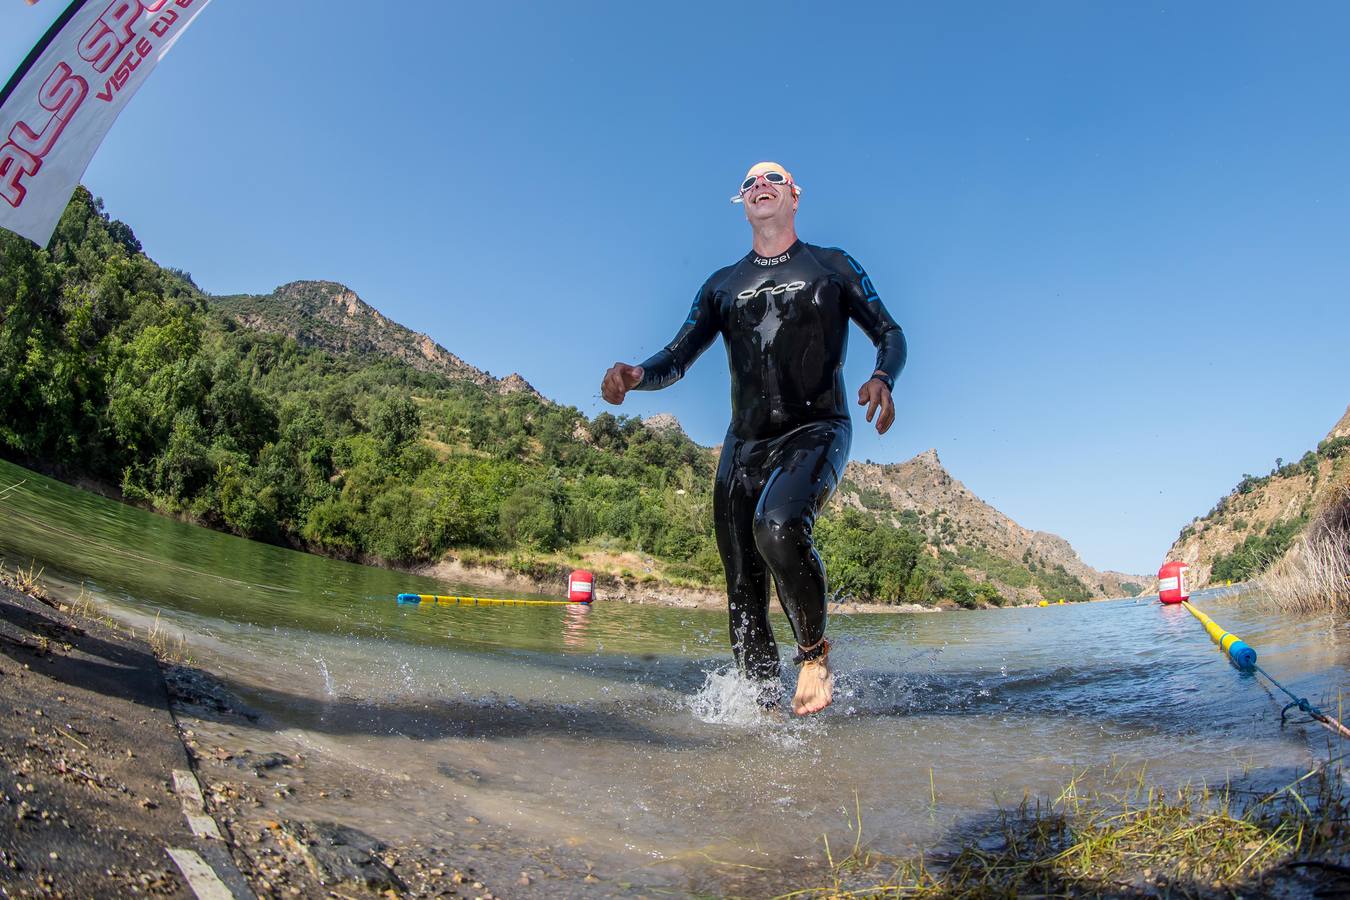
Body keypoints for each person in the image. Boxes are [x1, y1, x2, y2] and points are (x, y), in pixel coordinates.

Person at [600, 161, 906, 716]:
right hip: (742, 448)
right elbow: (679, 355)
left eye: (773, 179)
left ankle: (813, 655)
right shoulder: (721, 285)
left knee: (780, 526)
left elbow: (890, 331)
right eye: (749, 183)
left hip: (817, 429)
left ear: (794, 195)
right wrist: (638, 376)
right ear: (741, 202)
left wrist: (883, 376)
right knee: (742, 586)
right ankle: (762, 712)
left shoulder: (832, 266)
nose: (760, 185)